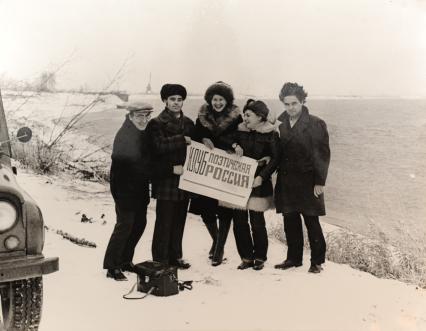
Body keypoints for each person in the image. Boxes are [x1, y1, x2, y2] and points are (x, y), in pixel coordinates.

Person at [274, 82, 331, 273]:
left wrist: (320, 181)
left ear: (303, 101)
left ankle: (317, 262)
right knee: (290, 220)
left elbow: (322, 155)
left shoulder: (316, 123)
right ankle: (293, 258)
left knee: (311, 221)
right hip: (287, 180)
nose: (290, 108)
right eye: (287, 104)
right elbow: (277, 151)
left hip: (308, 180)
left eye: (294, 103)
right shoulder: (279, 124)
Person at [189, 81, 243, 266]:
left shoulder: (237, 117)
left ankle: (219, 249)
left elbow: (240, 137)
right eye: (215, 99)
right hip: (207, 170)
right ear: (209, 100)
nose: (218, 103)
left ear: (227, 100)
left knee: (224, 210)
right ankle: (216, 240)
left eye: (221, 99)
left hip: (226, 170)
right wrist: (203, 137)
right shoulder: (202, 115)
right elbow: (196, 134)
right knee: (206, 210)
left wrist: (229, 145)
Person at [225, 99, 280, 270]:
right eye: (244, 114)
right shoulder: (240, 130)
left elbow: (276, 158)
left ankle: (260, 257)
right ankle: (246, 257)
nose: (245, 118)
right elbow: (222, 139)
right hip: (239, 181)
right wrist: (234, 145)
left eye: (248, 115)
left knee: (257, 221)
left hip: (259, 183)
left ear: (260, 117)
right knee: (240, 220)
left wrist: (262, 177)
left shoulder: (271, 134)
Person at [103, 101, 154, 281]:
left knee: (139, 225)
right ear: (131, 116)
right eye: (139, 116)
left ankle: (125, 260)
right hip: (124, 189)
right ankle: (112, 266)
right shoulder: (125, 135)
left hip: (139, 189)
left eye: (147, 116)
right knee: (124, 226)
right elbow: (125, 167)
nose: (143, 120)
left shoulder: (143, 132)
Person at [146, 83, 195, 269]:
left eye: (179, 99)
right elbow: (157, 148)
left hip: (185, 180)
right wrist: (181, 140)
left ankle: (176, 256)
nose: (176, 103)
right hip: (166, 180)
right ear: (164, 101)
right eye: (172, 99)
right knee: (164, 222)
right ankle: (160, 259)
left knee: (179, 221)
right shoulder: (156, 123)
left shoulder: (189, 123)